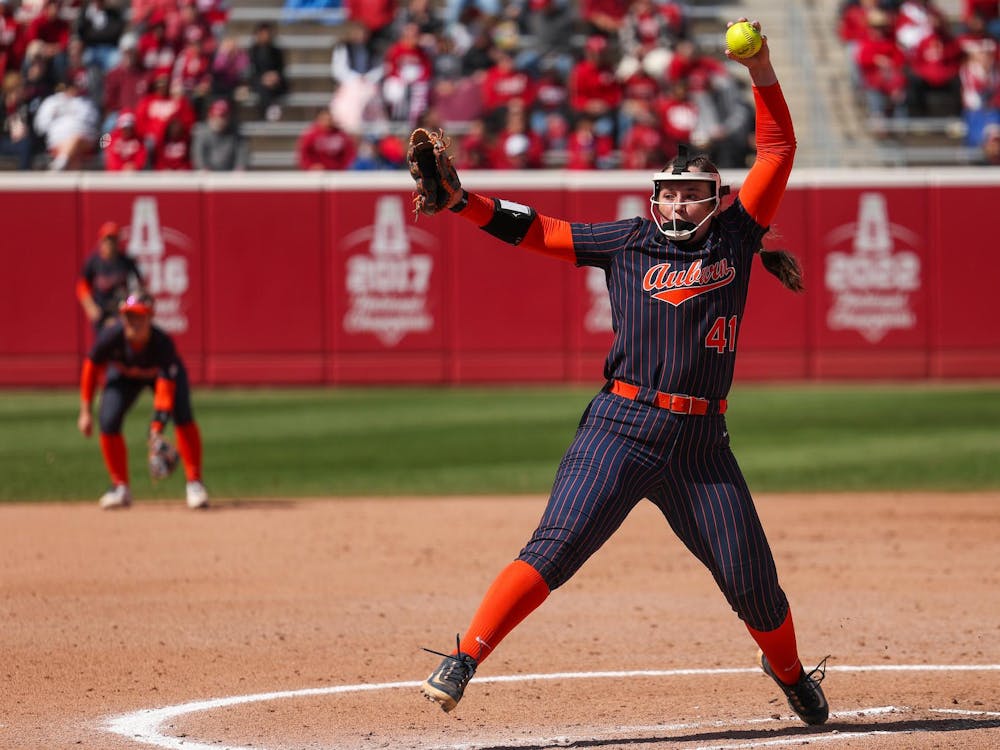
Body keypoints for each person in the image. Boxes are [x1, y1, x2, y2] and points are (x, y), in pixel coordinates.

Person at [417, 18, 829, 727]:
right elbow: (539, 230)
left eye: (691, 193)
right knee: (556, 547)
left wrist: (760, 65)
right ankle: (465, 657)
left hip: (701, 447)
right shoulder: (629, 241)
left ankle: (789, 672)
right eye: (667, 192)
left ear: (716, 200)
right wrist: (463, 203)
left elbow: (778, 148)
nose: (676, 202)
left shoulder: (737, 235)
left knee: (753, 585)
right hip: (621, 427)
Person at [77, 292, 209, 510]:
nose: (133, 322)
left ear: (150, 317)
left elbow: (165, 391)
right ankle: (120, 487)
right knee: (108, 419)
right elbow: (91, 367)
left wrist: (156, 429)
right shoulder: (112, 335)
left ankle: (194, 483)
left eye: (139, 316)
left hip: (161, 378)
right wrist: (85, 411)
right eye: (129, 316)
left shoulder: (162, 344)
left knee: (183, 415)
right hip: (124, 377)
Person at [76, 221, 145, 330]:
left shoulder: (126, 261)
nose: (110, 243)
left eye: (113, 240)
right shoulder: (94, 262)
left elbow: (141, 284)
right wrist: (91, 307)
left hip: (122, 311)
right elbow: (82, 286)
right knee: (106, 339)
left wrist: (133, 300)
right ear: (101, 241)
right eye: (107, 240)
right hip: (102, 313)